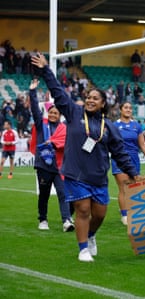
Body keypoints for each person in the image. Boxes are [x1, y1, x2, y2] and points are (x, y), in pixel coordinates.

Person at [31, 53, 140, 262]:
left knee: (99, 215)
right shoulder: (73, 113)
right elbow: (57, 92)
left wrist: (133, 173)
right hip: (76, 174)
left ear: (102, 104)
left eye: (95, 98)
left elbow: (119, 153)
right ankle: (82, 249)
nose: (90, 100)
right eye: (88, 97)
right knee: (82, 210)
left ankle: (90, 236)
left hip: (98, 177)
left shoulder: (109, 127)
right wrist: (46, 70)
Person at [28, 79, 74, 232]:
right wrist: (32, 92)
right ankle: (43, 219)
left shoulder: (63, 128)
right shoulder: (42, 125)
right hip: (43, 165)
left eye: (56, 113)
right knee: (44, 194)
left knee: (63, 193)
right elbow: (35, 109)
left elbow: (67, 145)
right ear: (48, 113)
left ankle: (67, 220)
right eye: (52, 112)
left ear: (60, 115)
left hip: (60, 167)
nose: (54, 114)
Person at [111, 102, 145, 226]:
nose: (128, 110)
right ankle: (124, 215)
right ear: (120, 110)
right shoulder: (114, 126)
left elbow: (142, 144)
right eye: (125, 107)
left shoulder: (136, 126)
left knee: (133, 187)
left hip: (134, 160)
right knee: (124, 187)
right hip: (119, 159)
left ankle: (129, 211)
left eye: (130, 108)